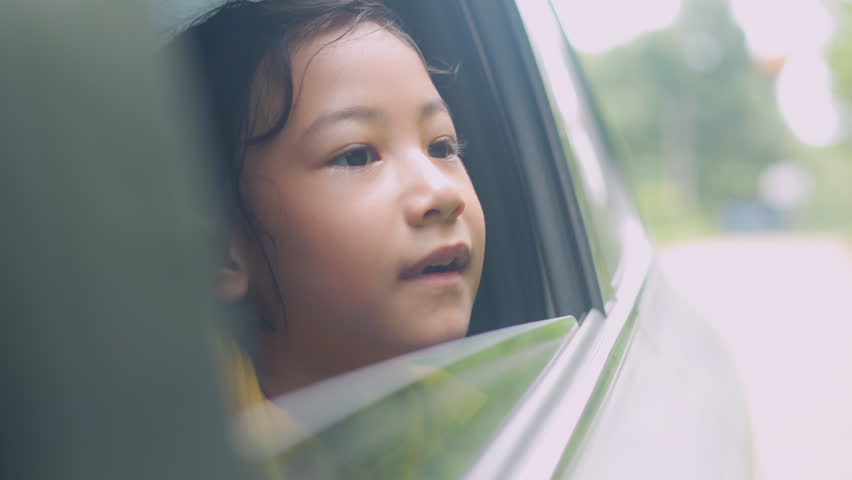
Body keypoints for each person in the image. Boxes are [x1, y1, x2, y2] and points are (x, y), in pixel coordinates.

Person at [171, 0, 486, 408]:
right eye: (356, 155)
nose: (442, 195)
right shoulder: (199, 436)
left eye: (442, 147)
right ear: (224, 252)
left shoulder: (464, 411)